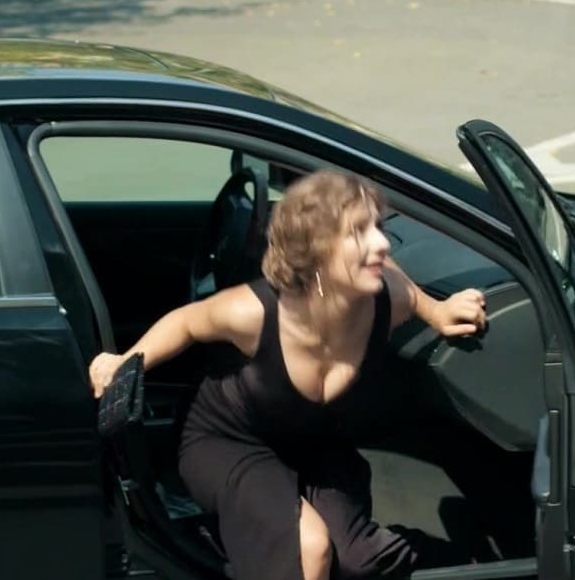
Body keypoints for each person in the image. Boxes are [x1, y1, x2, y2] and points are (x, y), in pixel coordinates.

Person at [89, 169, 487, 580]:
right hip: (227, 441)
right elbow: (187, 322)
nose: (381, 244)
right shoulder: (255, 312)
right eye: (357, 232)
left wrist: (438, 311)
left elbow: (407, 288)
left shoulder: (387, 299)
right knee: (308, 550)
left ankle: (477, 567)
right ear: (314, 250)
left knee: (357, 560)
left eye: (377, 227)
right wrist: (126, 361)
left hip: (311, 441)